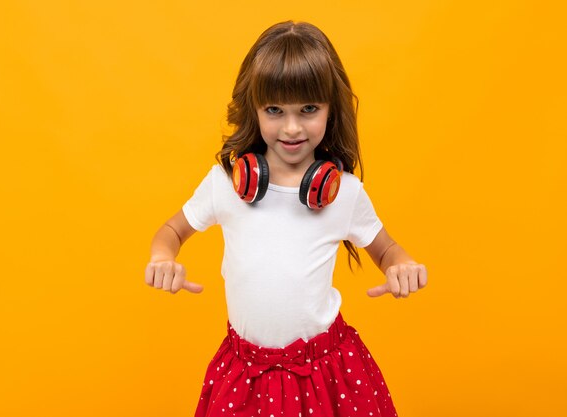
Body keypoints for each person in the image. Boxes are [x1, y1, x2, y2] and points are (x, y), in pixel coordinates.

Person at [145, 20, 428, 417]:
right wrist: (163, 258)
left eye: (308, 109)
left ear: (331, 109)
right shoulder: (225, 183)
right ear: (254, 109)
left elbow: (388, 251)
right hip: (245, 376)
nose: (292, 128)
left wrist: (402, 267)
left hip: (327, 374)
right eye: (274, 110)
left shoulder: (343, 193)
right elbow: (172, 230)